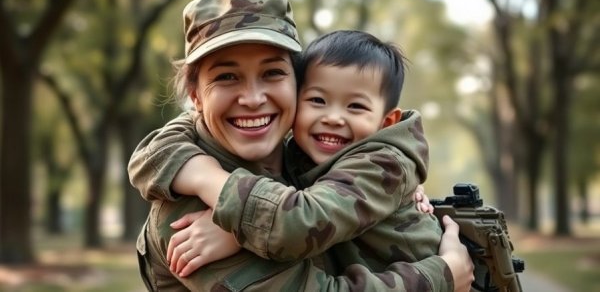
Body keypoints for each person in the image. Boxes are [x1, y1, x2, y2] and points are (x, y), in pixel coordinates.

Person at [130, 0, 473, 291]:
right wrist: (441, 276)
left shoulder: (303, 159)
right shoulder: (187, 215)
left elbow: (315, 211)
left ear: (296, 85)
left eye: (273, 73)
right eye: (226, 77)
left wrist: (394, 185)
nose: (252, 98)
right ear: (196, 96)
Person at [169, 30, 444, 277]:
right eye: (317, 100)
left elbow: (301, 223)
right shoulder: (298, 155)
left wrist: (234, 231)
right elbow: (164, 141)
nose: (333, 117)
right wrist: (192, 165)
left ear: (386, 123)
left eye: (356, 106)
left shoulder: (382, 163)